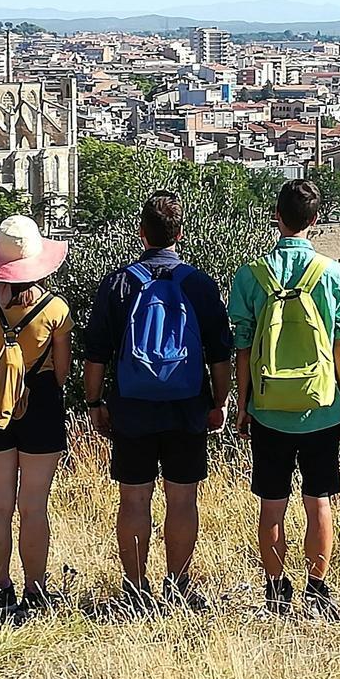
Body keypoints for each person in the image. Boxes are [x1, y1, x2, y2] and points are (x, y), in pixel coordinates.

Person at [84, 191, 233, 612]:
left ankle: (134, 589)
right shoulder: (200, 284)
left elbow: (96, 353)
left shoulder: (119, 283)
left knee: (133, 500)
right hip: (187, 405)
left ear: (141, 233)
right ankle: (179, 585)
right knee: (182, 500)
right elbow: (219, 354)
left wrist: (94, 402)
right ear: (180, 234)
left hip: (132, 405)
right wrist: (219, 402)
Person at [228, 179, 340, 619]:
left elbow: (243, 347)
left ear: (276, 217)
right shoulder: (337, 276)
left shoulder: (250, 275)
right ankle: (317, 589)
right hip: (320, 406)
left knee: (272, 503)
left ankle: (275, 588)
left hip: (267, 407)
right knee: (319, 500)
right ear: (316, 222)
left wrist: (242, 404)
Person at [0, 214, 73, 614]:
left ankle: (0, 589)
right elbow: (62, 372)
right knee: (34, 504)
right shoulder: (56, 309)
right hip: (41, 402)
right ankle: (36, 589)